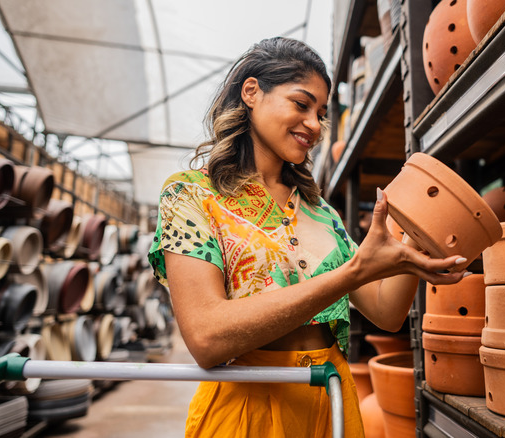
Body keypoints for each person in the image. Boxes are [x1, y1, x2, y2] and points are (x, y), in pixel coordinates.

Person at [148, 37, 468, 437]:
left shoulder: (320, 211)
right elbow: (206, 337)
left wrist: (416, 243)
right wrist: (352, 274)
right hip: (248, 405)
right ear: (252, 92)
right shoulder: (192, 194)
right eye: (301, 104)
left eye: (321, 113)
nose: (315, 125)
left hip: (330, 400)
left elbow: (386, 313)